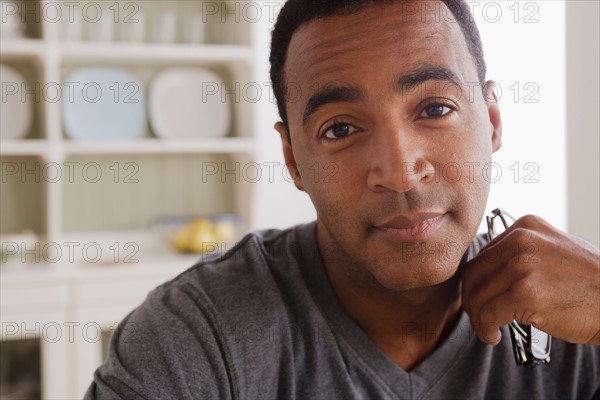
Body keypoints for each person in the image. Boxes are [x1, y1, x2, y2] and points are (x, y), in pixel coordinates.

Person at [85, 0, 600, 398]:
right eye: (341, 128)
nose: (400, 172)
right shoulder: (196, 340)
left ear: (491, 122)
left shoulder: (576, 318)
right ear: (292, 160)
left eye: (436, 108)